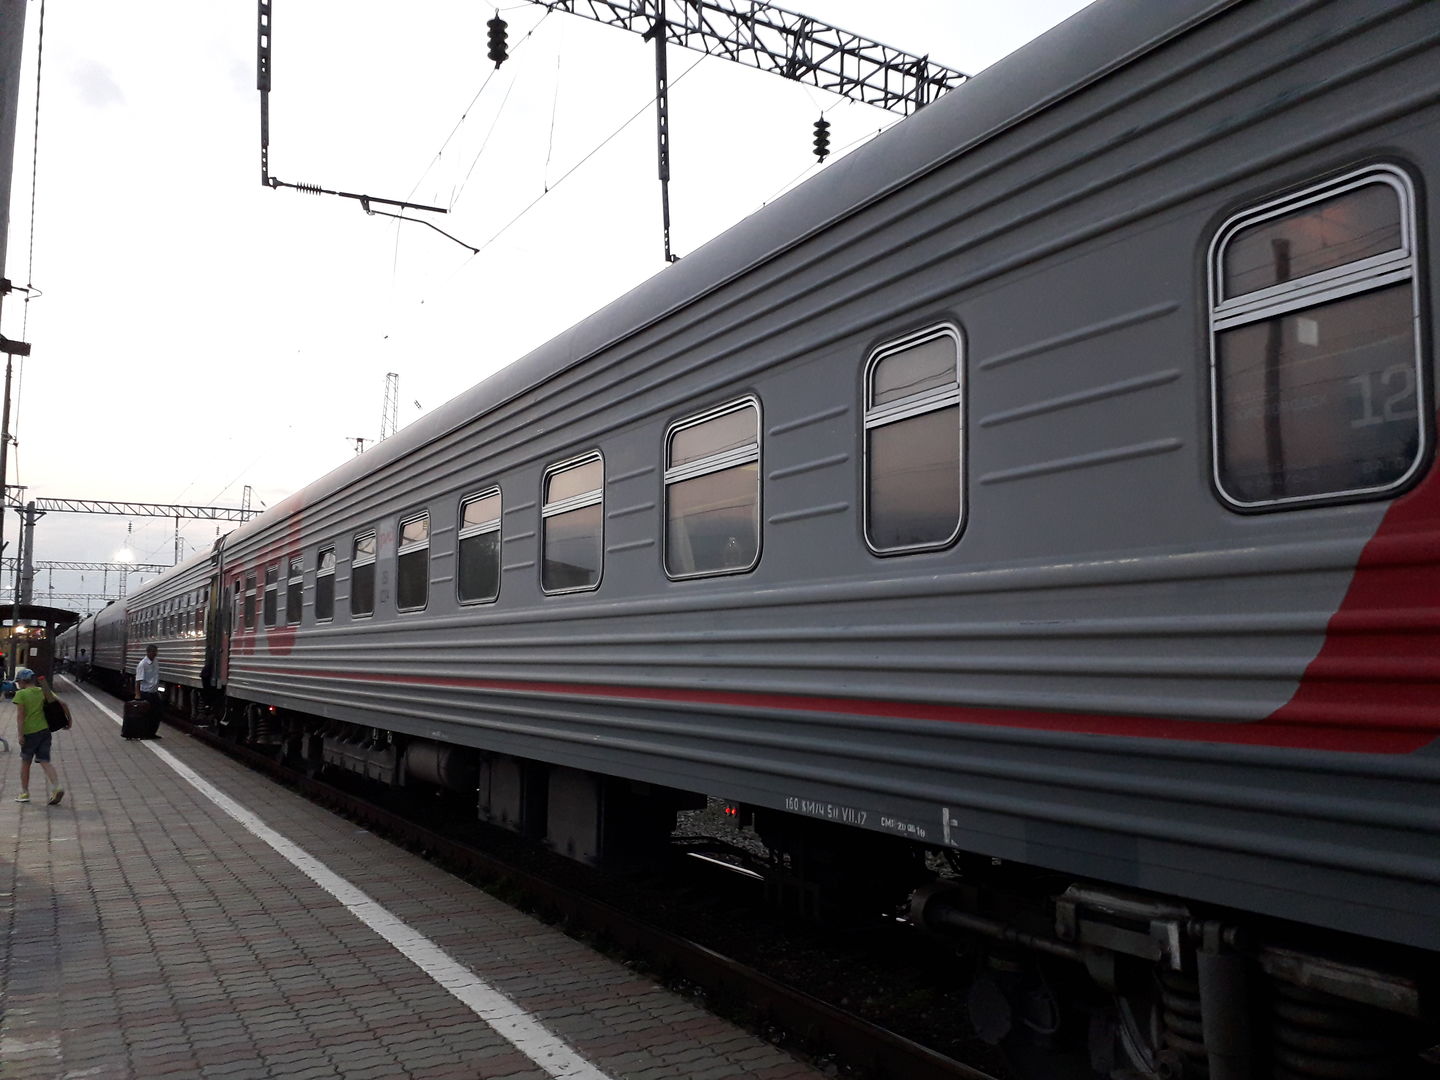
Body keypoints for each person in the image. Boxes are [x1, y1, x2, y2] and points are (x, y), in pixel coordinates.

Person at [13, 669, 63, 805]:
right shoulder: (42, 691)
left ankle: (24, 792)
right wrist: (68, 721)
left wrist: (20, 735)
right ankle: (57, 786)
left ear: (22, 681)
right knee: (45, 761)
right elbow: (62, 703)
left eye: (18, 682)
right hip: (45, 731)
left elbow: (20, 717)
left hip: (30, 733)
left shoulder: (21, 694)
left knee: (25, 763)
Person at [135, 644, 161, 716]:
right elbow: (138, 681)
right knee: (147, 714)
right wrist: (137, 695)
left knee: (157, 713)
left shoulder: (155, 661)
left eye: (156, 652)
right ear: (148, 652)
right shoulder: (142, 664)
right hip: (146, 694)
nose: (155, 654)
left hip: (154, 693)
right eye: (153, 652)